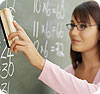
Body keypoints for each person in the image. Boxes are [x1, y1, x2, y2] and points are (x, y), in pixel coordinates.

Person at [8, 1, 100, 94]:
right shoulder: (70, 71)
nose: (73, 32)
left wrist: (40, 62)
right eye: (72, 25)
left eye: (83, 26)